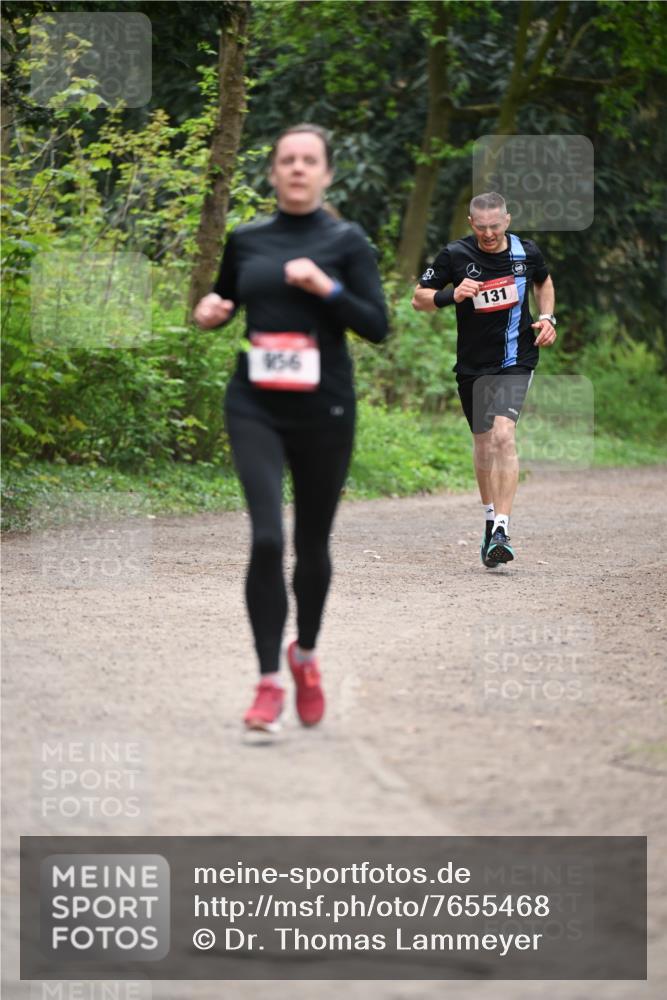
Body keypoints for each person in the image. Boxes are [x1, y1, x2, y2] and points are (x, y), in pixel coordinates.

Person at [194, 124, 388, 735]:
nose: (298, 168)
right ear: (274, 172)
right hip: (253, 403)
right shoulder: (247, 238)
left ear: (327, 173)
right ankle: (267, 684)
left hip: (325, 409)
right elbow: (223, 300)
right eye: (288, 160)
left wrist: (325, 286)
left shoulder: (346, 241)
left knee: (312, 546)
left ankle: (304, 655)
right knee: (266, 540)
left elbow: (377, 325)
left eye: (310, 161)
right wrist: (210, 312)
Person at [411, 192, 556, 567]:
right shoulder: (455, 255)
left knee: (504, 436)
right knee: (483, 443)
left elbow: (544, 283)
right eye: (482, 227)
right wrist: (451, 295)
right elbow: (419, 298)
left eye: (495, 226)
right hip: (473, 366)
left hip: (516, 358)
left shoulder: (526, 253)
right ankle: (490, 518)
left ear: (507, 220)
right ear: (471, 222)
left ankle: (503, 531)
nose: (489, 233)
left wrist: (548, 318)